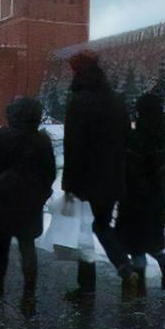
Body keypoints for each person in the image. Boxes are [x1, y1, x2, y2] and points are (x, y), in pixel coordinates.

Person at [60, 50, 134, 301]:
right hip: (113, 176)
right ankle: (124, 267)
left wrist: (68, 184)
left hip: (84, 179)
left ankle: (87, 286)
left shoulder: (78, 102)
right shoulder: (116, 100)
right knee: (102, 225)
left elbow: (73, 146)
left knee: (84, 232)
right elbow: (127, 138)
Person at [0, 97, 55, 309]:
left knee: (1, 245)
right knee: (27, 245)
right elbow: (49, 173)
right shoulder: (42, 140)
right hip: (30, 203)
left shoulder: (1, 136)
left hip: (2, 199)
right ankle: (29, 293)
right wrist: (41, 195)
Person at [116, 91, 165, 292]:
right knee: (150, 238)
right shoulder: (164, 135)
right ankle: (164, 269)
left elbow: (130, 169)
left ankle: (138, 285)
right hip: (159, 197)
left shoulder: (137, 137)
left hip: (136, 197)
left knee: (135, 242)